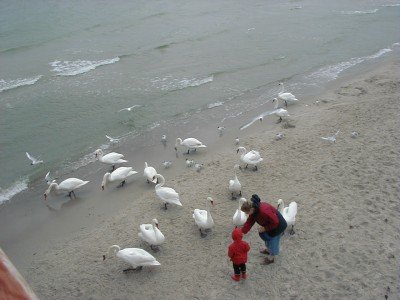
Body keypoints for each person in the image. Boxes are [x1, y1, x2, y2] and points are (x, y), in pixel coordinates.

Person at [241, 194, 287, 265]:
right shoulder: (254, 211)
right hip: (270, 224)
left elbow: (275, 222)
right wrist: (242, 231)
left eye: (246, 212)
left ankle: (271, 258)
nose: (246, 214)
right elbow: (250, 221)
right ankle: (268, 250)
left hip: (278, 225)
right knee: (265, 235)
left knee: (273, 240)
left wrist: (265, 228)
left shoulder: (264, 211)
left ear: (251, 209)